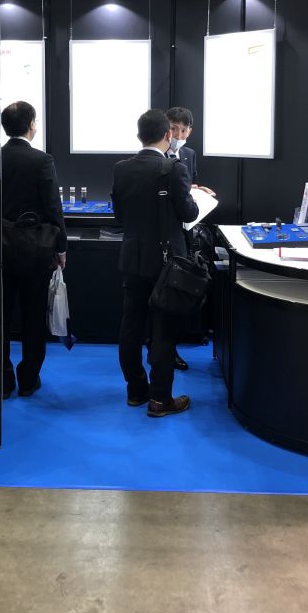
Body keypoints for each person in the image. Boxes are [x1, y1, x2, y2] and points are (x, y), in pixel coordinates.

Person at [111, 109, 199, 417]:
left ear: (139, 136)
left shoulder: (121, 169)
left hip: (132, 259)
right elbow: (189, 213)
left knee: (131, 327)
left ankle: (136, 391)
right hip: (167, 264)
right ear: (168, 135)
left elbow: (119, 216)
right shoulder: (174, 169)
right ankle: (160, 399)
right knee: (163, 330)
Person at [0, 101, 67, 399]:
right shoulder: (42, 160)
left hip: (0, 246)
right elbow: (54, 207)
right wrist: (61, 248)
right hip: (35, 248)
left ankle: (3, 380)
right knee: (33, 314)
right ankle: (28, 379)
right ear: (31, 125)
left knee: (1, 315)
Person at [165, 106, 217, 369]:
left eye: (183, 130)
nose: (178, 134)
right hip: (164, 233)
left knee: (179, 291)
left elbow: (186, 188)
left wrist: (196, 190)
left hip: (186, 231)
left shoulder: (189, 154)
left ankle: (172, 345)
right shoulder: (157, 153)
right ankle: (162, 348)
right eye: (173, 129)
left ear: (190, 132)